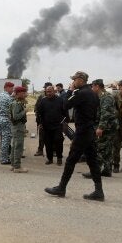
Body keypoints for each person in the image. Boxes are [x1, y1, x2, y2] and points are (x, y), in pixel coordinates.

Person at [45, 71, 104, 201]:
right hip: (90, 130)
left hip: (83, 131)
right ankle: (99, 191)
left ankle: (61, 188)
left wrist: (70, 91)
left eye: (74, 80)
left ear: (80, 80)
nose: (73, 82)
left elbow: (65, 104)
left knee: (71, 160)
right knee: (92, 161)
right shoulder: (93, 94)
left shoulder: (81, 92)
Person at [83, 79, 118, 178]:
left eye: (93, 86)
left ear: (97, 86)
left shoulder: (106, 97)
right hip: (108, 126)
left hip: (107, 127)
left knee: (99, 148)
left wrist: (100, 128)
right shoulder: (100, 96)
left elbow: (105, 114)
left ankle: (95, 171)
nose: (92, 88)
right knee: (107, 149)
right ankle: (107, 170)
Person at [37, 85, 68, 165]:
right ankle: (50, 159)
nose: (49, 93)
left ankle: (59, 158)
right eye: (47, 91)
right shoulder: (43, 101)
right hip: (46, 126)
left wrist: (65, 122)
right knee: (48, 143)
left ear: (54, 91)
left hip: (57, 126)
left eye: (50, 91)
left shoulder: (60, 100)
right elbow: (39, 113)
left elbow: (65, 112)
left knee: (58, 142)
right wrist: (40, 123)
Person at [0, 82, 15, 165]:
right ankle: (4, 159)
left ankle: (3, 157)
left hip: (0, 119)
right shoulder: (9, 98)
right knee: (6, 140)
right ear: (6, 88)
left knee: (3, 139)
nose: (12, 90)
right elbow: (13, 110)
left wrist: (0, 114)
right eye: (11, 88)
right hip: (6, 120)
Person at [10, 86, 29, 173]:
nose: (25, 94)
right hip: (18, 128)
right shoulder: (16, 103)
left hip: (17, 127)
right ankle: (17, 167)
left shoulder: (17, 102)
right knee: (18, 147)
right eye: (23, 93)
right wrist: (24, 111)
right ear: (19, 93)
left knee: (15, 146)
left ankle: (14, 165)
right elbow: (16, 116)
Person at [34, 82, 54, 156]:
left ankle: (54, 151)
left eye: (46, 88)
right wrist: (36, 112)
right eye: (45, 88)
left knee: (53, 136)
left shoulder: (56, 97)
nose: (45, 89)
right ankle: (40, 150)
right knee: (42, 136)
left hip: (52, 121)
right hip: (42, 120)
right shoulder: (41, 97)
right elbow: (36, 106)